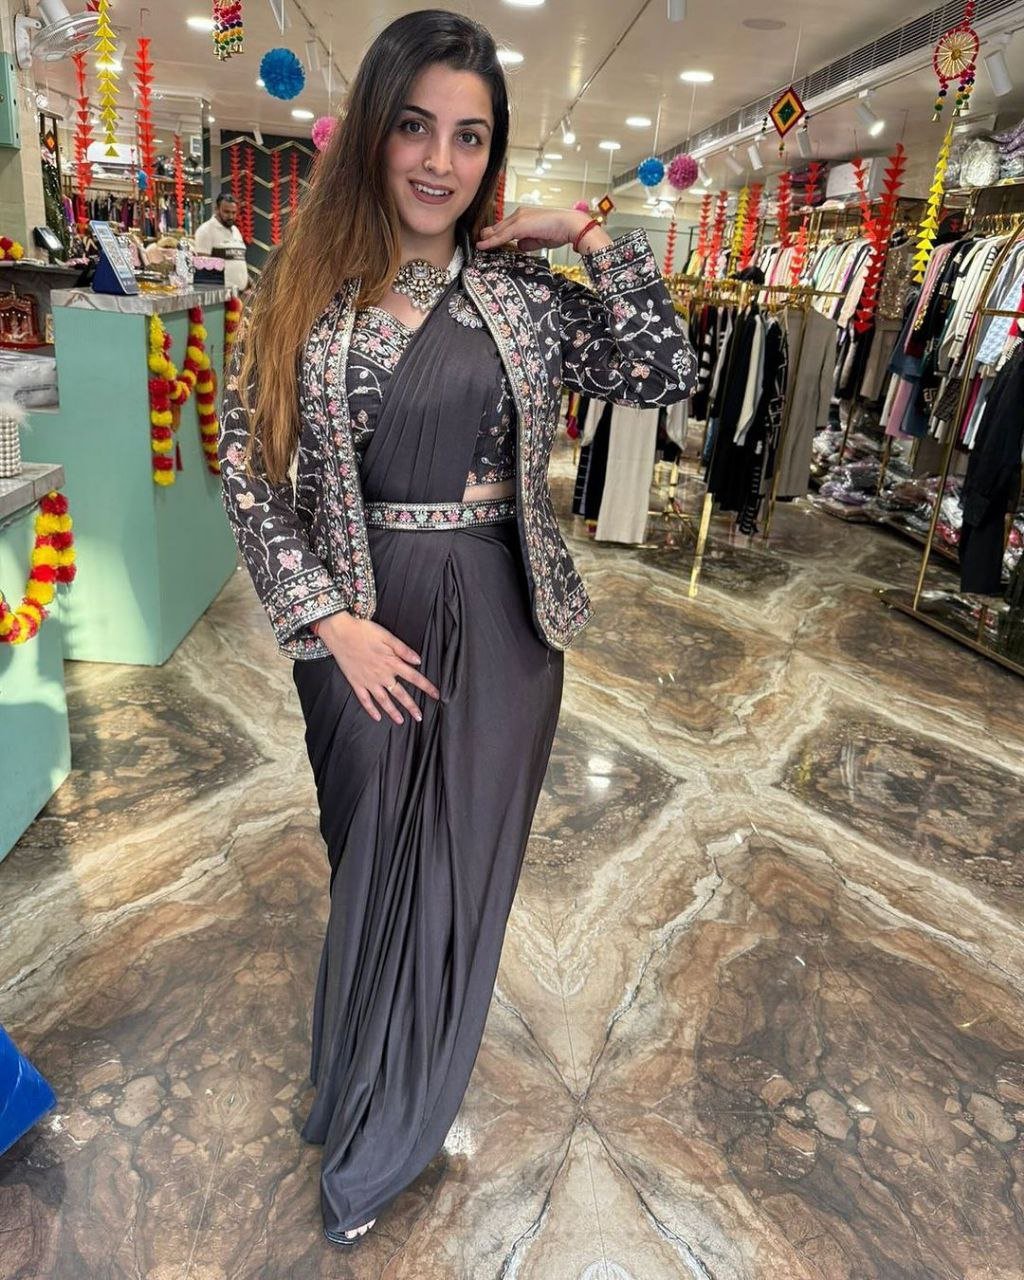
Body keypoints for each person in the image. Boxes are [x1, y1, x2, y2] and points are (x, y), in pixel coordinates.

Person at [218, 7, 696, 1249]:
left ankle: (396, 1128)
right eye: (416, 127)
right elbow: (249, 471)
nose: (440, 160)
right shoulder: (299, 290)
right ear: (374, 133)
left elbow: (662, 370)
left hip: (498, 620)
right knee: (372, 866)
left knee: (454, 879)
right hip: (362, 624)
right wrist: (330, 621)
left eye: (470, 137)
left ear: (494, 151)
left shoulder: (524, 294)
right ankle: (356, 1088)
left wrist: (584, 233)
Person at [194, 192, 248, 291]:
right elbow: (203, 270)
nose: (231, 216)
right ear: (217, 209)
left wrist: (248, 283)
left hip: (240, 293)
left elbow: (238, 261)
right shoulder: (205, 230)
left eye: (234, 213)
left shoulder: (235, 230)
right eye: (226, 212)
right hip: (221, 295)